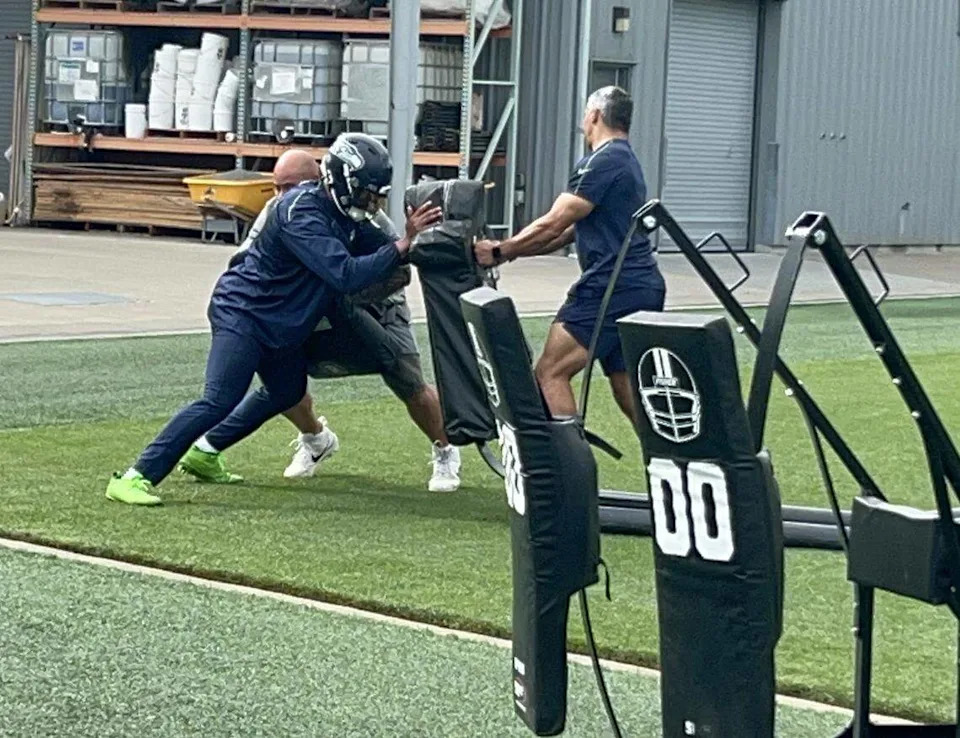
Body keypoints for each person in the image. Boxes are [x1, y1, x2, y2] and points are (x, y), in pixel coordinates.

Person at [105, 134, 442, 506]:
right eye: (366, 194)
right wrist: (402, 245)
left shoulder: (342, 213)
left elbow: (383, 250)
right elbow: (346, 274)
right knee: (219, 399)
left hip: (281, 323)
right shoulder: (301, 210)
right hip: (244, 313)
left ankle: (204, 455)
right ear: (343, 184)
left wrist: (439, 247)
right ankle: (137, 475)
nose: (371, 203)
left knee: (286, 391)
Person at [206, 154, 462, 492]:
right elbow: (243, 259)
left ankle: (444, 449)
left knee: (405, 377)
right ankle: (315, 439)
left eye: (291, 186)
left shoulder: (364, 210)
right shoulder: (279, 210)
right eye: (277, 187)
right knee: (282, 368)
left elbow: (399, 273)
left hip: (378, 304)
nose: (283, 194)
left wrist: (344, 293)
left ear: (319, 180)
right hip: (311, 304)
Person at [474, 86, 666, 424]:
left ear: (594, 116)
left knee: (550, 373)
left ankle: (568, 469)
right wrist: (511, 253)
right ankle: (676, 462)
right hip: (639, 286)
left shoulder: (603, 161)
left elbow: (553, 222)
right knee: (625, 386)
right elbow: (565, 234)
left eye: (585, 117)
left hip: (611, 285)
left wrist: (500, 249)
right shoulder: (626, 161)